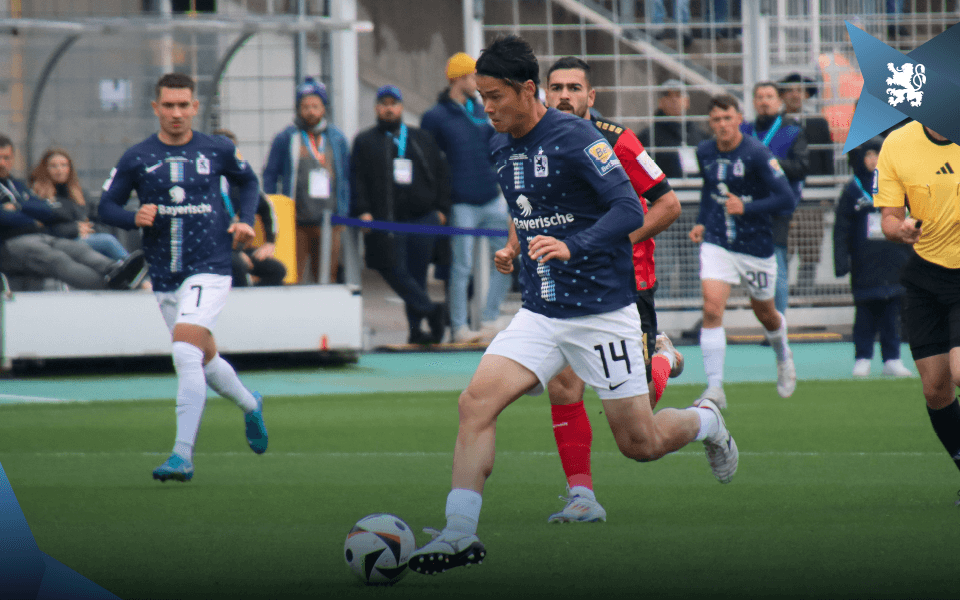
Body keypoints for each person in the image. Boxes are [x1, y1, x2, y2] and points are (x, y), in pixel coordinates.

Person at [408, 35, 738, 575]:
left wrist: (573, 245)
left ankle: (705, 421)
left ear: (527, 90)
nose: (485, 107)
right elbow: (528, 206)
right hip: (540, 312)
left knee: (641, 443)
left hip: (602, 313)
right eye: (480, 96)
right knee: (475, 404)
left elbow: (630, 207)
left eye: (494, 96)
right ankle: (459, 533)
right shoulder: (498, 144)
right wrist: (517, 246)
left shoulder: (576, 137)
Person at [98, 73, 268, 482]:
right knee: (204, 360)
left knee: (184, 354)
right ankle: (250, 405)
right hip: (165, 273)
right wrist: (130, 216)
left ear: (195, 107)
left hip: (210, 266)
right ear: (156, 108)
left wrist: (246, 221)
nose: (176, 113)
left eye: (183, 105)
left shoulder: (218, 149)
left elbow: (249, 182)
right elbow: (106, 206)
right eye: (168, 105)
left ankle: (181, 455)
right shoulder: (137, 156)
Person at [541, 56, 685, 523]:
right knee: (563, 386)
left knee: (637, 418)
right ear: (544, 92)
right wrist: (511, 246)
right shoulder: (533, 140)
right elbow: (528, 204)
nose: (564, 95)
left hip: (627, 285)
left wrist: (615, 240)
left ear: (591, 96)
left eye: (573, 88)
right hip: (568, 286)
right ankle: (581, 495)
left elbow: (668, 205)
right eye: (556, 87)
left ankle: (662, 357)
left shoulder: (618, 141)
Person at [689, 93, 798, 409]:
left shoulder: (757, 153)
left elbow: (787, 199)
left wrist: (747, 206)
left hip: (755, 246)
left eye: (727, 118)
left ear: (739, 119)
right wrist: (700, 222)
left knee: (765, 313)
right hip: (718, 242)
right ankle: (714, 388)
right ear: (710, 123)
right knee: (711, 309)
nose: (722, 125)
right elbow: (710, 189)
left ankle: (783, 355)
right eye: (716, 120)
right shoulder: (705, 151)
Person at [873, 120, 960, 503]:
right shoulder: (897, 143)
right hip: (925, 273)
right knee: (936, 387)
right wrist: (901, 229)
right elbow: (888, 219)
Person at [420, 52, 511, 344]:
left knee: (509, 256)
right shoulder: (434, 117)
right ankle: (458, 327)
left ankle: (488, 319)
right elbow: (429, 162)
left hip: (490, 197)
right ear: (460, 78)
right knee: (461, 267)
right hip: (461, 203)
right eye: (474, 76)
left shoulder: (481, 109)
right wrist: (439, 202)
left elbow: (494, 145)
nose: (479, 82)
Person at [351, 85, 451, 344]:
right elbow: (357, 179)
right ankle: (432, 310)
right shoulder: (365, 141)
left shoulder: (421, 138)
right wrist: (362, 210)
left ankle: (416, 330)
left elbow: (441, 173)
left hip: (421, 219)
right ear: (376, 108)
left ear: (401, 107)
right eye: (383, 104)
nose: (388, 108)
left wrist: (441, 209)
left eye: (393, 103)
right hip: (385, 220)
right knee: (390, 266)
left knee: (417, 274)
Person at [0, 135, 146, 290]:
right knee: (58, 259)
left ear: (13, 158)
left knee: (78, 250)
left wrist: (18, 206)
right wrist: (32, 217)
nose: (2, 163)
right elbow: (5, 218)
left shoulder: (16, 185)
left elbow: (47, 211)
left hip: (41, 236)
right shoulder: (34, 187)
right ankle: (114, 286)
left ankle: (119, 271)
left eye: (6, 158)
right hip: (10, 244)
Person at [833, 136, 911, 378]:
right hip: (864, 262)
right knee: (865, 313)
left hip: (896, 259)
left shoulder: (900, 186)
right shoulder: (853, 189)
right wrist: (841, 260)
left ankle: (892, 359)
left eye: (878, 155)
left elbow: (915, 219)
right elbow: (841, 228)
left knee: (892, 315)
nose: (873, 160)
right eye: (868, 155)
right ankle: (863, 358)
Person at [262, 77, 350, 284]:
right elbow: (270, 174)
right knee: (293, 276)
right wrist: (273, 208)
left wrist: (344, 212)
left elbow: (346, 176)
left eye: (315, 106)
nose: (311, 111)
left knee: (327, 276)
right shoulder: (286, 137)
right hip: (296, 221)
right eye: (306, 106)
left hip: (330, 221)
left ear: (324, 108)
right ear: (298, 108)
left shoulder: (337, 138)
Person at [741, 82, 808, 315]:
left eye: (769, 96)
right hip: (749, 207)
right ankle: (764, 319)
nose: (764, 101)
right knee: (751, 265)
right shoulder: (745, 131)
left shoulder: (792, 130)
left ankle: (778, 321)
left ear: (779, 101)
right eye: (759, 97)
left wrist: (769, 163)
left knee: (777, 262)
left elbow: (801, 167)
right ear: (753, 102)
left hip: (777, 208)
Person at [779, 73, 834, 298]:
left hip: (813, 200)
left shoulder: (818, 123)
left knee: (810, 254)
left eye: (799, 90)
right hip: (786, 199)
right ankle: (782, 304)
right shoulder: (777, 123)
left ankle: (805, 301)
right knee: (784, 252)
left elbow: (827, 159)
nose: (794, 94)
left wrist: (826, 194)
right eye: (789, 89)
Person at [214, 129, 287, 288]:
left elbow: (267, 208)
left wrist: (270, 242)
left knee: (277, 270)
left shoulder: (241, 182)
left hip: (236, 249)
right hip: (212, 251)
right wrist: (233, 253)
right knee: (238, 266)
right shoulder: (205, 183)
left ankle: (260, 305)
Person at [30, 148, 131, 262]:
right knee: (107, 241)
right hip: (59, 243)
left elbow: (99, 219)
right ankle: (134, 269)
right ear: (45, 169)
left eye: (64, 165)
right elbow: (40, 229)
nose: (59, 170)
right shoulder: (39, 195)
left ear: (70, 168)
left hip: (86, 239)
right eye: (53, 166)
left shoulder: (80, 194)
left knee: (109, 238)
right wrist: (75, 229)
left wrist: (90, 229)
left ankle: (129, 271)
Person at [637, 79, 707, 180]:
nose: (673, 99)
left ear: (687, 102)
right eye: (667, 95)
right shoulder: (648, 137)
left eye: (678, 95)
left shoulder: (700, 135)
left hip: (697, 192)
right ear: (660, 102)